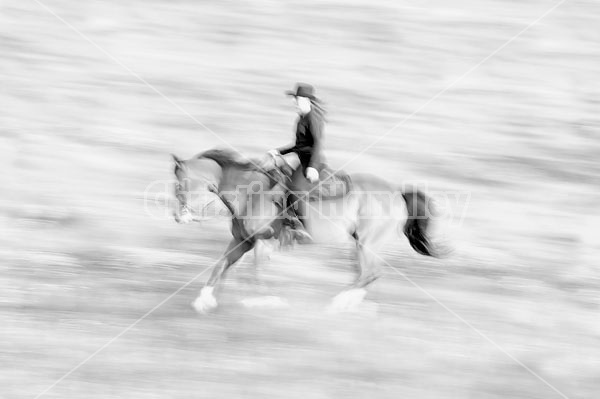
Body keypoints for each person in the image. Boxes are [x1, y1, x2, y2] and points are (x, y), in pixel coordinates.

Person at [266, 83, 327, 242]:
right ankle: (286, 223)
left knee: (295, 188)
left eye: (297, 99)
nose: (295, 102)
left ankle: (303, 229)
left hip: (314, 162)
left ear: (307, 100)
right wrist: (279, 152)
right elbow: (298, 146)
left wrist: (313, 167)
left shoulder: (313, 118)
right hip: (304, 161)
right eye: (295, 99)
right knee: (281, 180)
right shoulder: (301, 118)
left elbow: (318, 143)